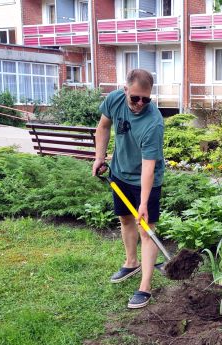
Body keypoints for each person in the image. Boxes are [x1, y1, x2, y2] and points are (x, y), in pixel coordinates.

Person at [92, 68, 165, 309]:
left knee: (146, 230)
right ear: (125, 90)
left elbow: (148, 168)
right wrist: (99, 157)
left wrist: (143, 203)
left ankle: (145, 287)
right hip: (119, 172)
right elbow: (103, 127)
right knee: (125, 219)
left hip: (145, 180)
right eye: (135, 98)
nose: (140, 103)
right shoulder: (114, 99)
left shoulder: (153, 123)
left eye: (146, 99)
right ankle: (131, 262)